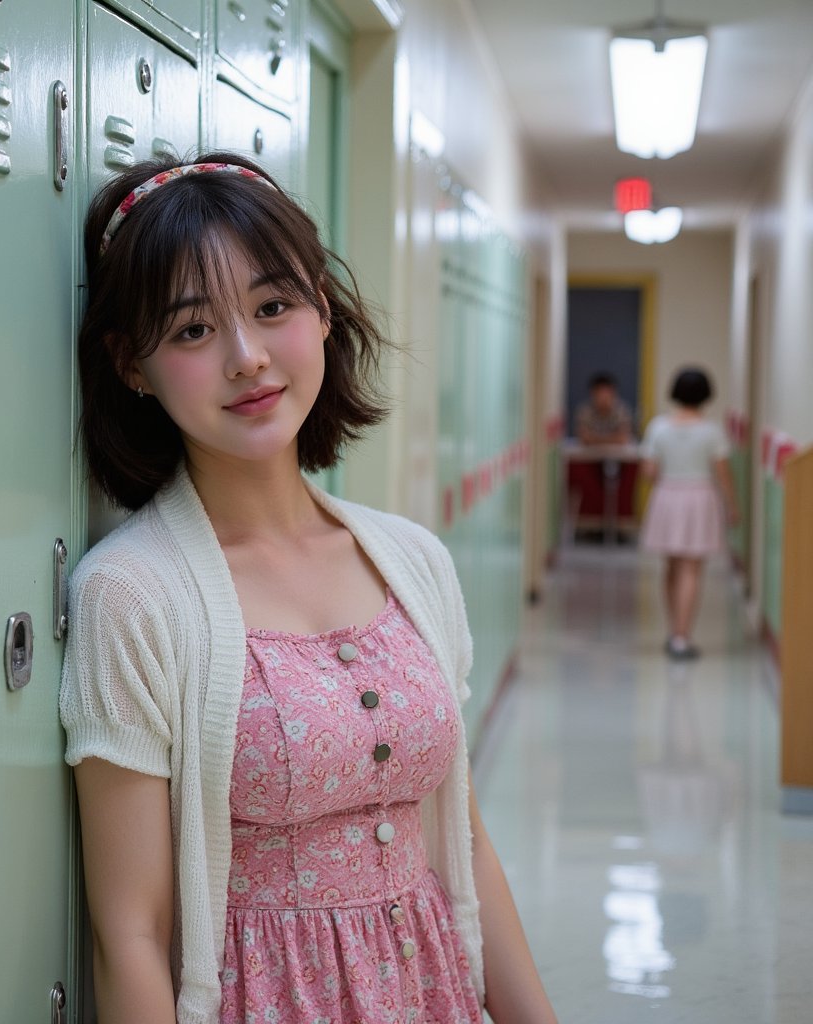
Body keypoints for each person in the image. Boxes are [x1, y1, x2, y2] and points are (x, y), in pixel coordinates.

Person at [59, 152, 558, 1024]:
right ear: (130, 363)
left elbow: (464, 845)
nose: (247, 358)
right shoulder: (131, 595)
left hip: (434, 992)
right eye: (191, 331)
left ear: (322, 310)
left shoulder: (414, 562)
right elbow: (131, 932)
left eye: (272, 307)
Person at [639, 367, 739, 659]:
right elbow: (723, 474)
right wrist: (733, 506)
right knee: (692, 569)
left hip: (667, 496)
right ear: (706, 395)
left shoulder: (658, 427)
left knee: (671, 567)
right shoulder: (711, 431)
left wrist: (669, 479)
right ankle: (683, 636)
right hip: (699, 497)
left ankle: (673, 631)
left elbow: (648, 471)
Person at [569, 372, 637, 540]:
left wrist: (597, 439)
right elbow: (584, 438)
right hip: (590, 462)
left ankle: (618, 527)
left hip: (618, 463)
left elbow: (623, 438)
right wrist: (608, 440)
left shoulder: (621, 410)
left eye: (608, 393)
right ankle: (589, 526)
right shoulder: (585, 411)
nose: (604, 398)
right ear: (594, 393)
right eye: (600, 393)